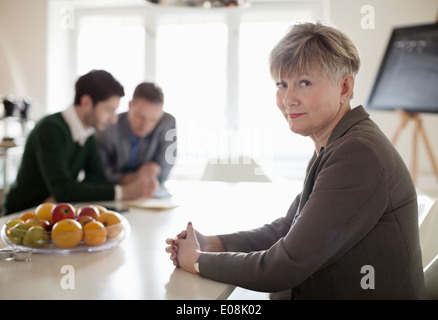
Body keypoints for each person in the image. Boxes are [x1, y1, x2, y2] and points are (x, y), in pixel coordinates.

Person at [165, 22, 428, 299]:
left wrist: (197, 261)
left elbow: (284, 267)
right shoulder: (337, 142)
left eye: (304, 83)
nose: (288, 99)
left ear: (345, 86)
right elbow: (288, 227)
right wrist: (212, 244)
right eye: (282, 84)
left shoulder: (357, 153)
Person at [2, 70, 156, 215]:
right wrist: (126, 192)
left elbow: (97, 177)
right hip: (22, 215)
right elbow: (63, 189)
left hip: (53, 213)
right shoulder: (50, 128)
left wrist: (68, 193)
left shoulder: (88, 132)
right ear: (87, 102)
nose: (114, 119)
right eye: (109, 110)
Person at [96, 82, 176, 193]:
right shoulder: (108, 128)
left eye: (153, 119)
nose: (145, 125)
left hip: (150, 196)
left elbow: (166, 166)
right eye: (141, 117)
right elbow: (100, 176)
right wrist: (137, 176)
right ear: (130, 105)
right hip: (115, 195)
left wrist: (154, 171)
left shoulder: (168, 123)